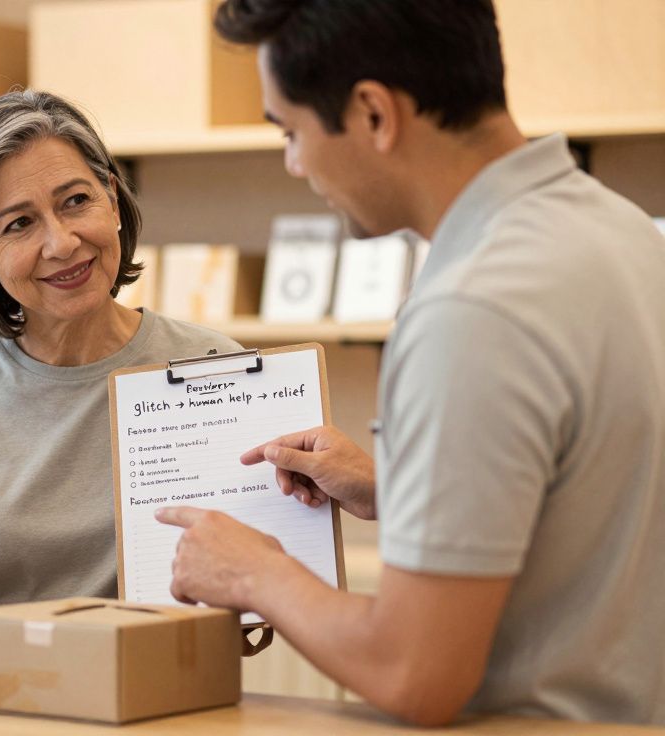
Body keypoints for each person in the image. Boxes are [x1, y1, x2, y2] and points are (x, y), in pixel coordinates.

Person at [157, 0, 665, 726]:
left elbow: (413, 674)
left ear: (372, 113)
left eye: (292, 131)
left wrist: (256, 574)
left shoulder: (472, 308)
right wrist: (392, 487)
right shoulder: (620, 229)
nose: (295, 163)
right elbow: (588, 502)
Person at [0, 90, 241, 668]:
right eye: (19, 223)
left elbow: (261, 583)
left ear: (112, 200)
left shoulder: (214, 364)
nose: (62, 243)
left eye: (76, 201)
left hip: (158, 693)